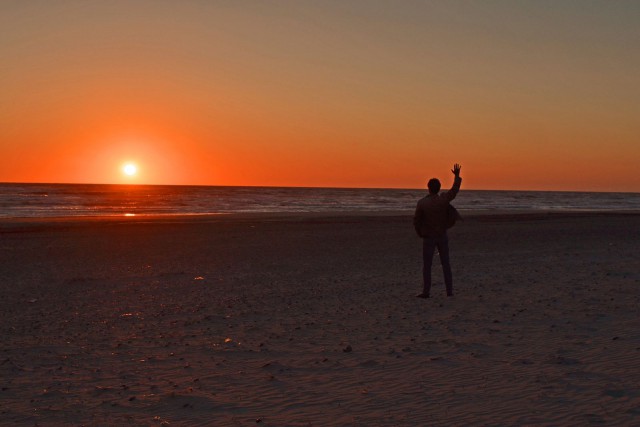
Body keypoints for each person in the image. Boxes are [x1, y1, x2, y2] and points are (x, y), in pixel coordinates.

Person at [413, 164, 462, 298]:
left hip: (428, 236)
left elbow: (416, 220)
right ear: (439, 188)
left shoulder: (422, 203)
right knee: (445, 263)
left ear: (428, 188)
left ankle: (426, 292)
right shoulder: (443, 200)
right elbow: (454, 190)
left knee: (427, 265)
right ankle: (449, 291)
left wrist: (419, 232)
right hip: (441, 234)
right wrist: (456, 177)